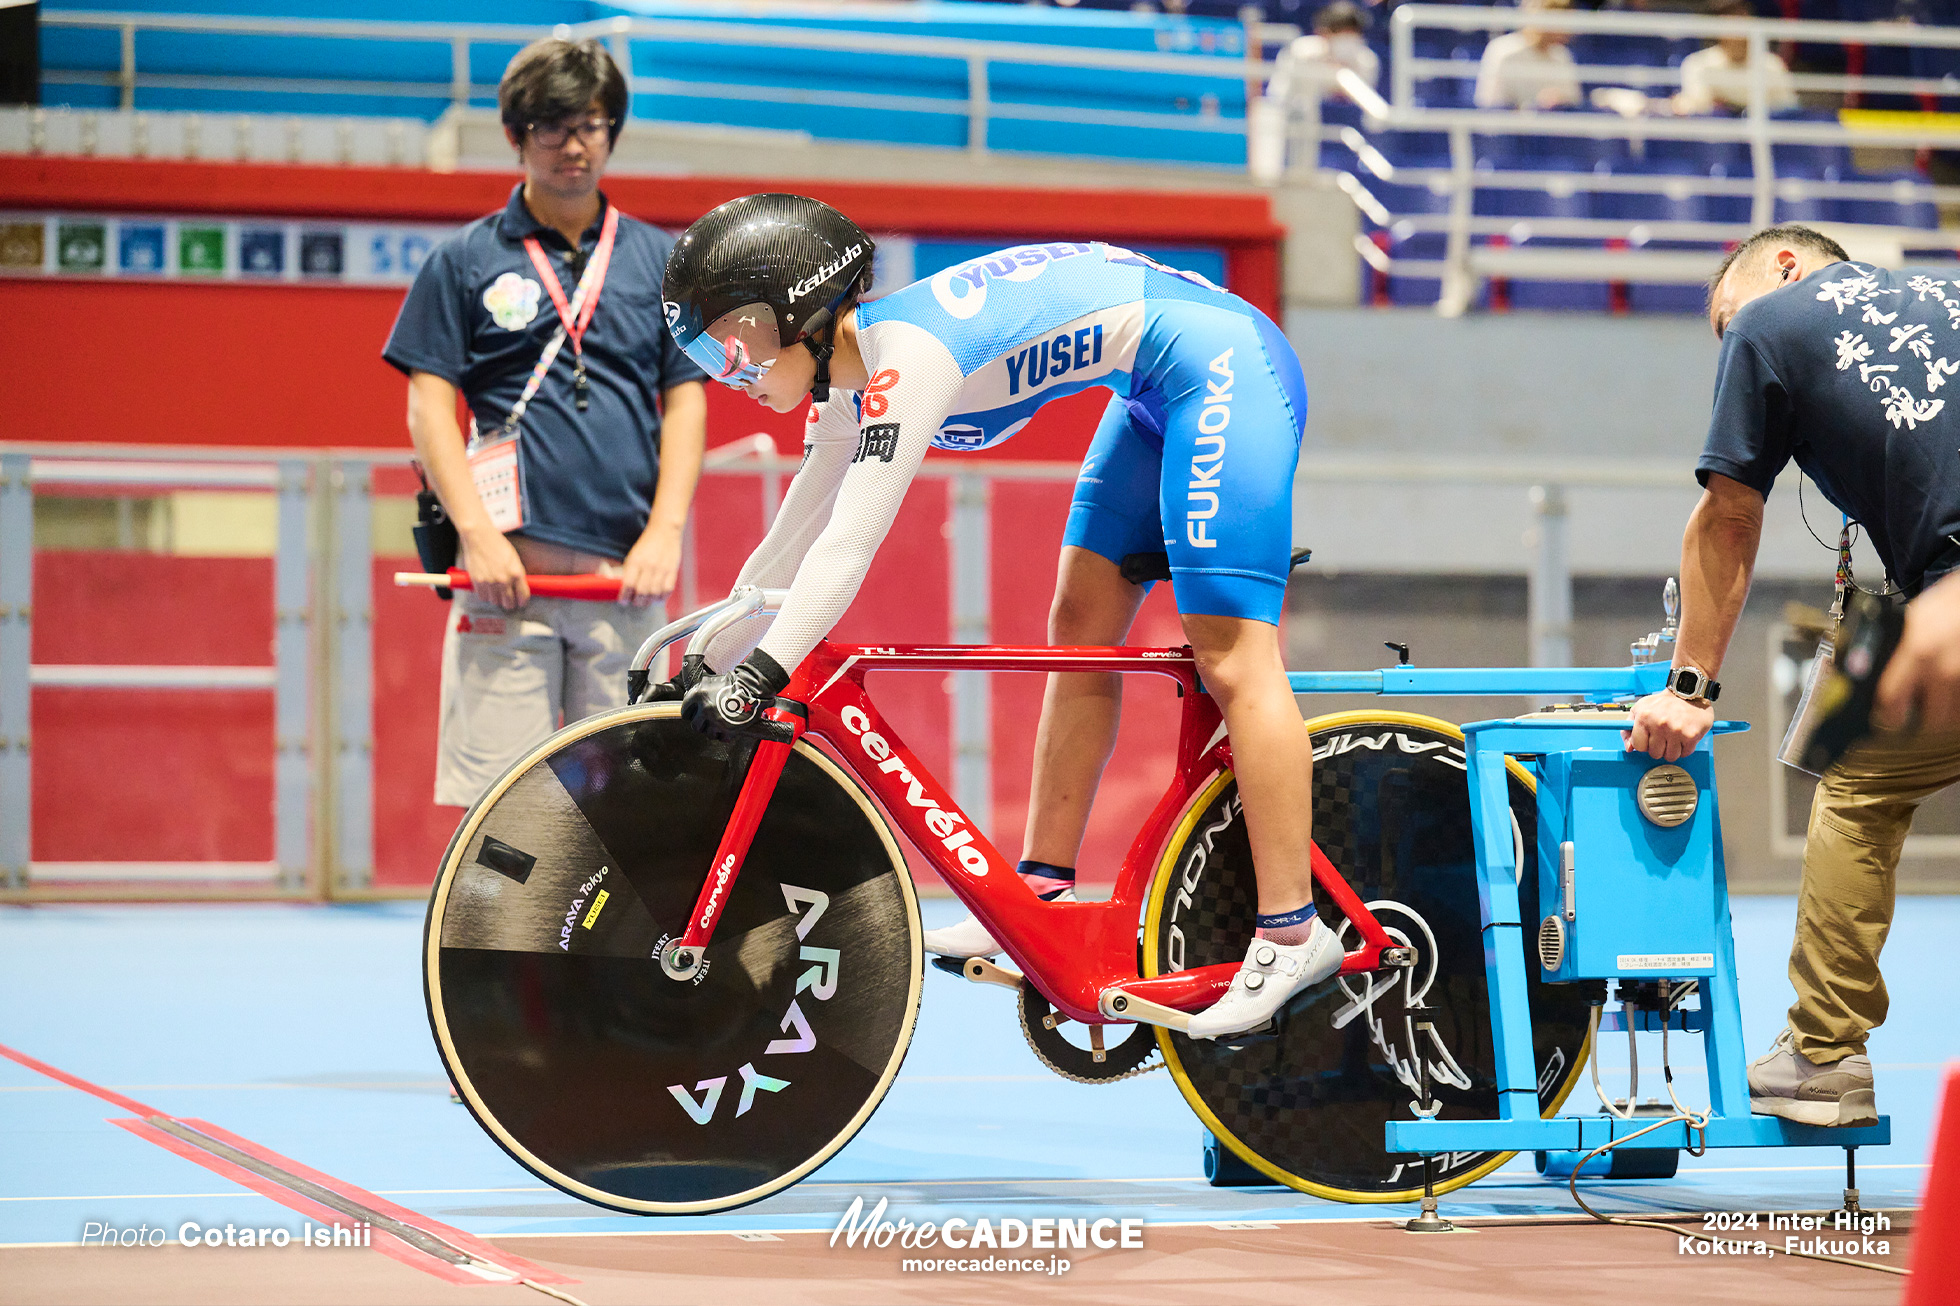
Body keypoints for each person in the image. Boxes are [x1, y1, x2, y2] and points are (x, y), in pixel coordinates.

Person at [662, 194, 1336, 1040]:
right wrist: (714, 648)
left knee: (1233, 656)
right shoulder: (852, 379)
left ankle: (1291, 932)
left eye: (737, 342)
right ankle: (1038, 899)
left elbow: (846, 550)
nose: (734, 370)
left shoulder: (907, 357)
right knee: (1079, 624)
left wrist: (758, 675)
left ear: (800, 308)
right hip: (1154, 389)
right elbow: (799, 531)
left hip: (1226, 364)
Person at [1628, 224, 1960, 1128]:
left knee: (1855, 785)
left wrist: (1688, 687)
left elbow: (1727, 517)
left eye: (1723, 314)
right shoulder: (1942, 293)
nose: (1726, 340)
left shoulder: (1770, 324)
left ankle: (1822, 1055)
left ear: (1782, 265)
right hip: (1933, 590)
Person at [382, 37, 708, 807]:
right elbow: (429, 404)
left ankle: (630, 937)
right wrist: (480, 535)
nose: (574, 144)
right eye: (553, 126)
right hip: (504, 578)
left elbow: (687, 399)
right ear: (516, 136)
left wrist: (665, 533)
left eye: (593, 124)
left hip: (622, 581)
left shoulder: (661, 262)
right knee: (502, 812)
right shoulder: (463, 260)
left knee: (634, 805)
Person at [1672, 0, 1798, 116]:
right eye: (1729, 16)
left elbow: (1789, 111)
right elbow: (1695, 108)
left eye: (1741, 15)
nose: (1737, 24)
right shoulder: (1697, 64)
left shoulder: (1772, 65)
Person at [1474, 0, 1582, 111]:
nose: (1567, 29)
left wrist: (1559, 100)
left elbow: (1573, 103)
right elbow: (1491, 106)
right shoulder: (1502, 51)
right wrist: (1533, 107)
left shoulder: (1562, 55)